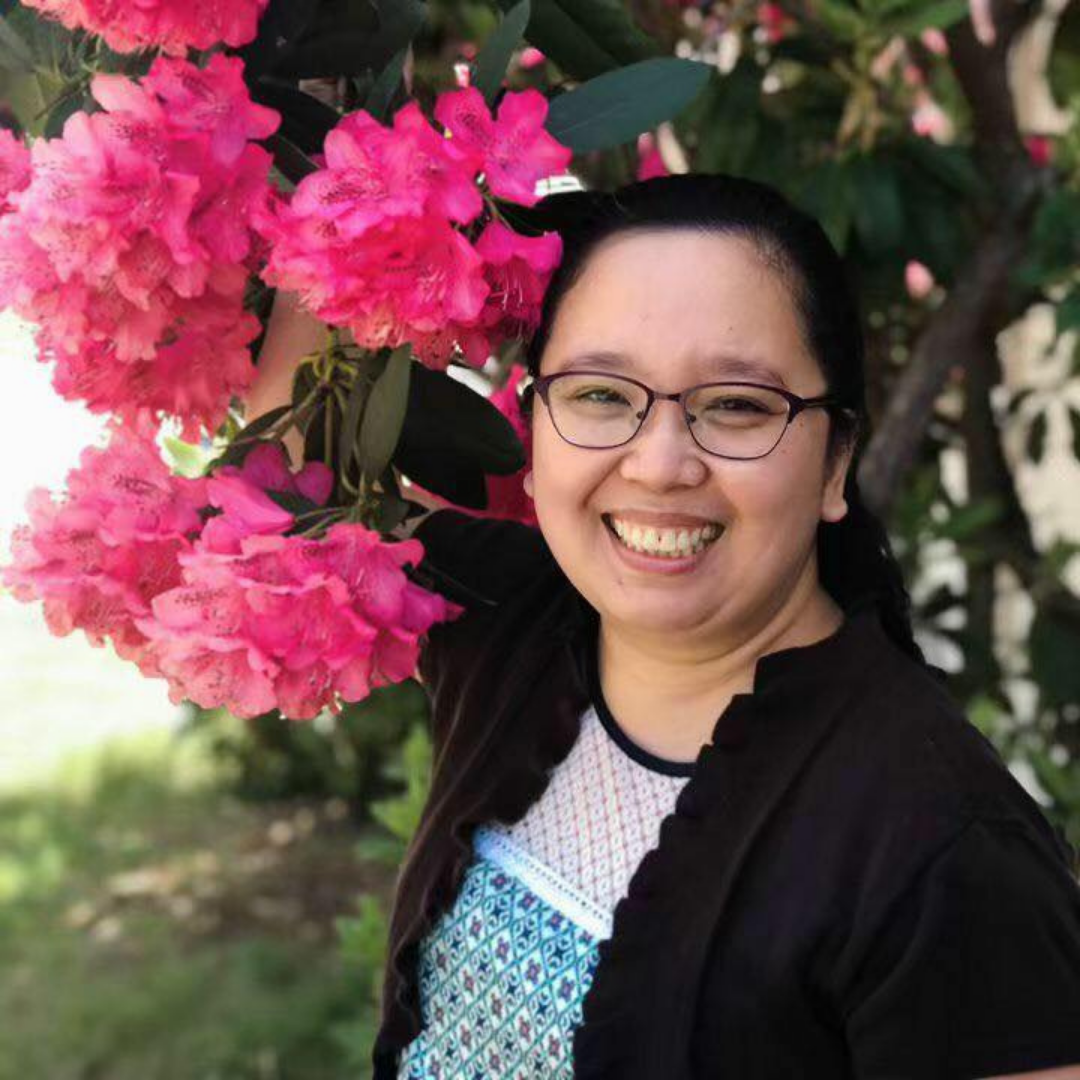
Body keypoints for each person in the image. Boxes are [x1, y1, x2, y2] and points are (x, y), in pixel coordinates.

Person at [247, 173, 1080, 1080]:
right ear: (532, 431)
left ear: (837, 459)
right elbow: (286, 495)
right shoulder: (510, 621)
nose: (659, 464)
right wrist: (353, 181)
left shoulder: (944, 845)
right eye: (601, 394)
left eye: (735, 406)